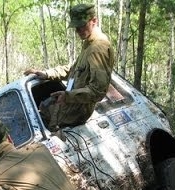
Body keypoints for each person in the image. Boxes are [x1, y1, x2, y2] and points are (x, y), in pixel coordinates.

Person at [24, 3, 115, 132]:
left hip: (79, 109)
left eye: (82, 26)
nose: (78, 31)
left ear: (94, 21)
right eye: (76, 27)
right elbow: (74, 70)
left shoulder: (97, 48)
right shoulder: (89, 43)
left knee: (41, 119)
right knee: (43, 106)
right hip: (74, 102)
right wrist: (46, 73)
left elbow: (98, 92)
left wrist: (68, 96)